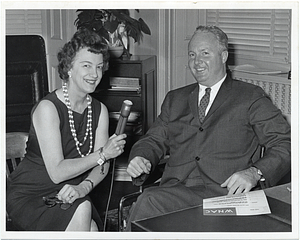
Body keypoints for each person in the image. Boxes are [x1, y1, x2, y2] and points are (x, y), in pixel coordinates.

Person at [125, 25, 291, 230]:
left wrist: (254, 172)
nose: (197, 62)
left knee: (148, 202)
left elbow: (285, 143)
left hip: (225, 195)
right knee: (150, 203)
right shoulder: (175, 99)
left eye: (205, 53)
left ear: (223, 56)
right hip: (175, 191)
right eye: (192, 54)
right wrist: (142, 157)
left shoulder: (250, 97)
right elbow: (153, 140)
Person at [6, 28, 127, 231]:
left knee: (90, 223)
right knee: (84, 213)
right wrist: (103, 153)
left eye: (99, 67)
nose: (94, 74)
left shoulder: (100, 110)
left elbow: (102, 166)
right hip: (31, 195)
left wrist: (84, 186)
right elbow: (57, 173)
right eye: (86, 65)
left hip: (72, 192)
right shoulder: (48, 108)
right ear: (69, 67)